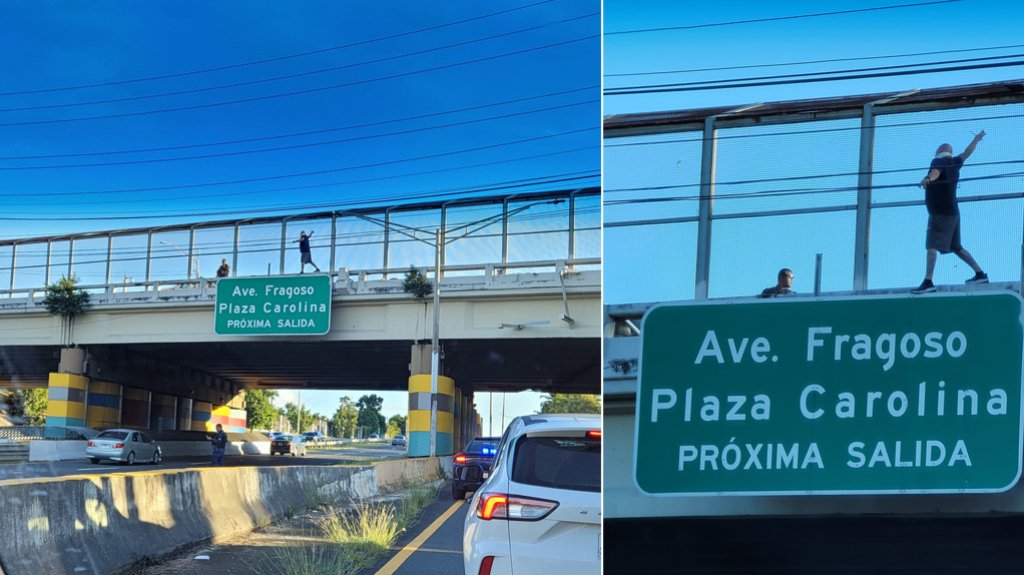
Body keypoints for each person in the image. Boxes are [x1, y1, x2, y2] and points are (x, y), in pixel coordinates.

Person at [911, 131, 988, 294]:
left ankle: (928, 281)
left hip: (940, 213)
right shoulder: (954, 162)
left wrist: (928, 179)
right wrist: (976, 139)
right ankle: (980, 273)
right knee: (956, 247)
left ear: (938, 151)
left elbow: (935, 173)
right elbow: (967, 153)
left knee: (931, 245)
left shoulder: (938, 161)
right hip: (953, 213)